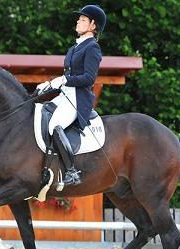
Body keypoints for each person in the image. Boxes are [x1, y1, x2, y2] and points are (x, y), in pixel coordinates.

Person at [36, 5, 106, 186]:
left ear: (92, 25)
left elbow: (89, 78)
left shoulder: (92, 48)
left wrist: (64, 80)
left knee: (54, 125)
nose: (78, 21)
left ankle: (72, 172)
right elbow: (67, 76)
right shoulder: (75, 47)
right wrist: (50, 84)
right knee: (40, 114)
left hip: (77, 99)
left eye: (83, 20)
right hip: (65, 95)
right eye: (79, 19)